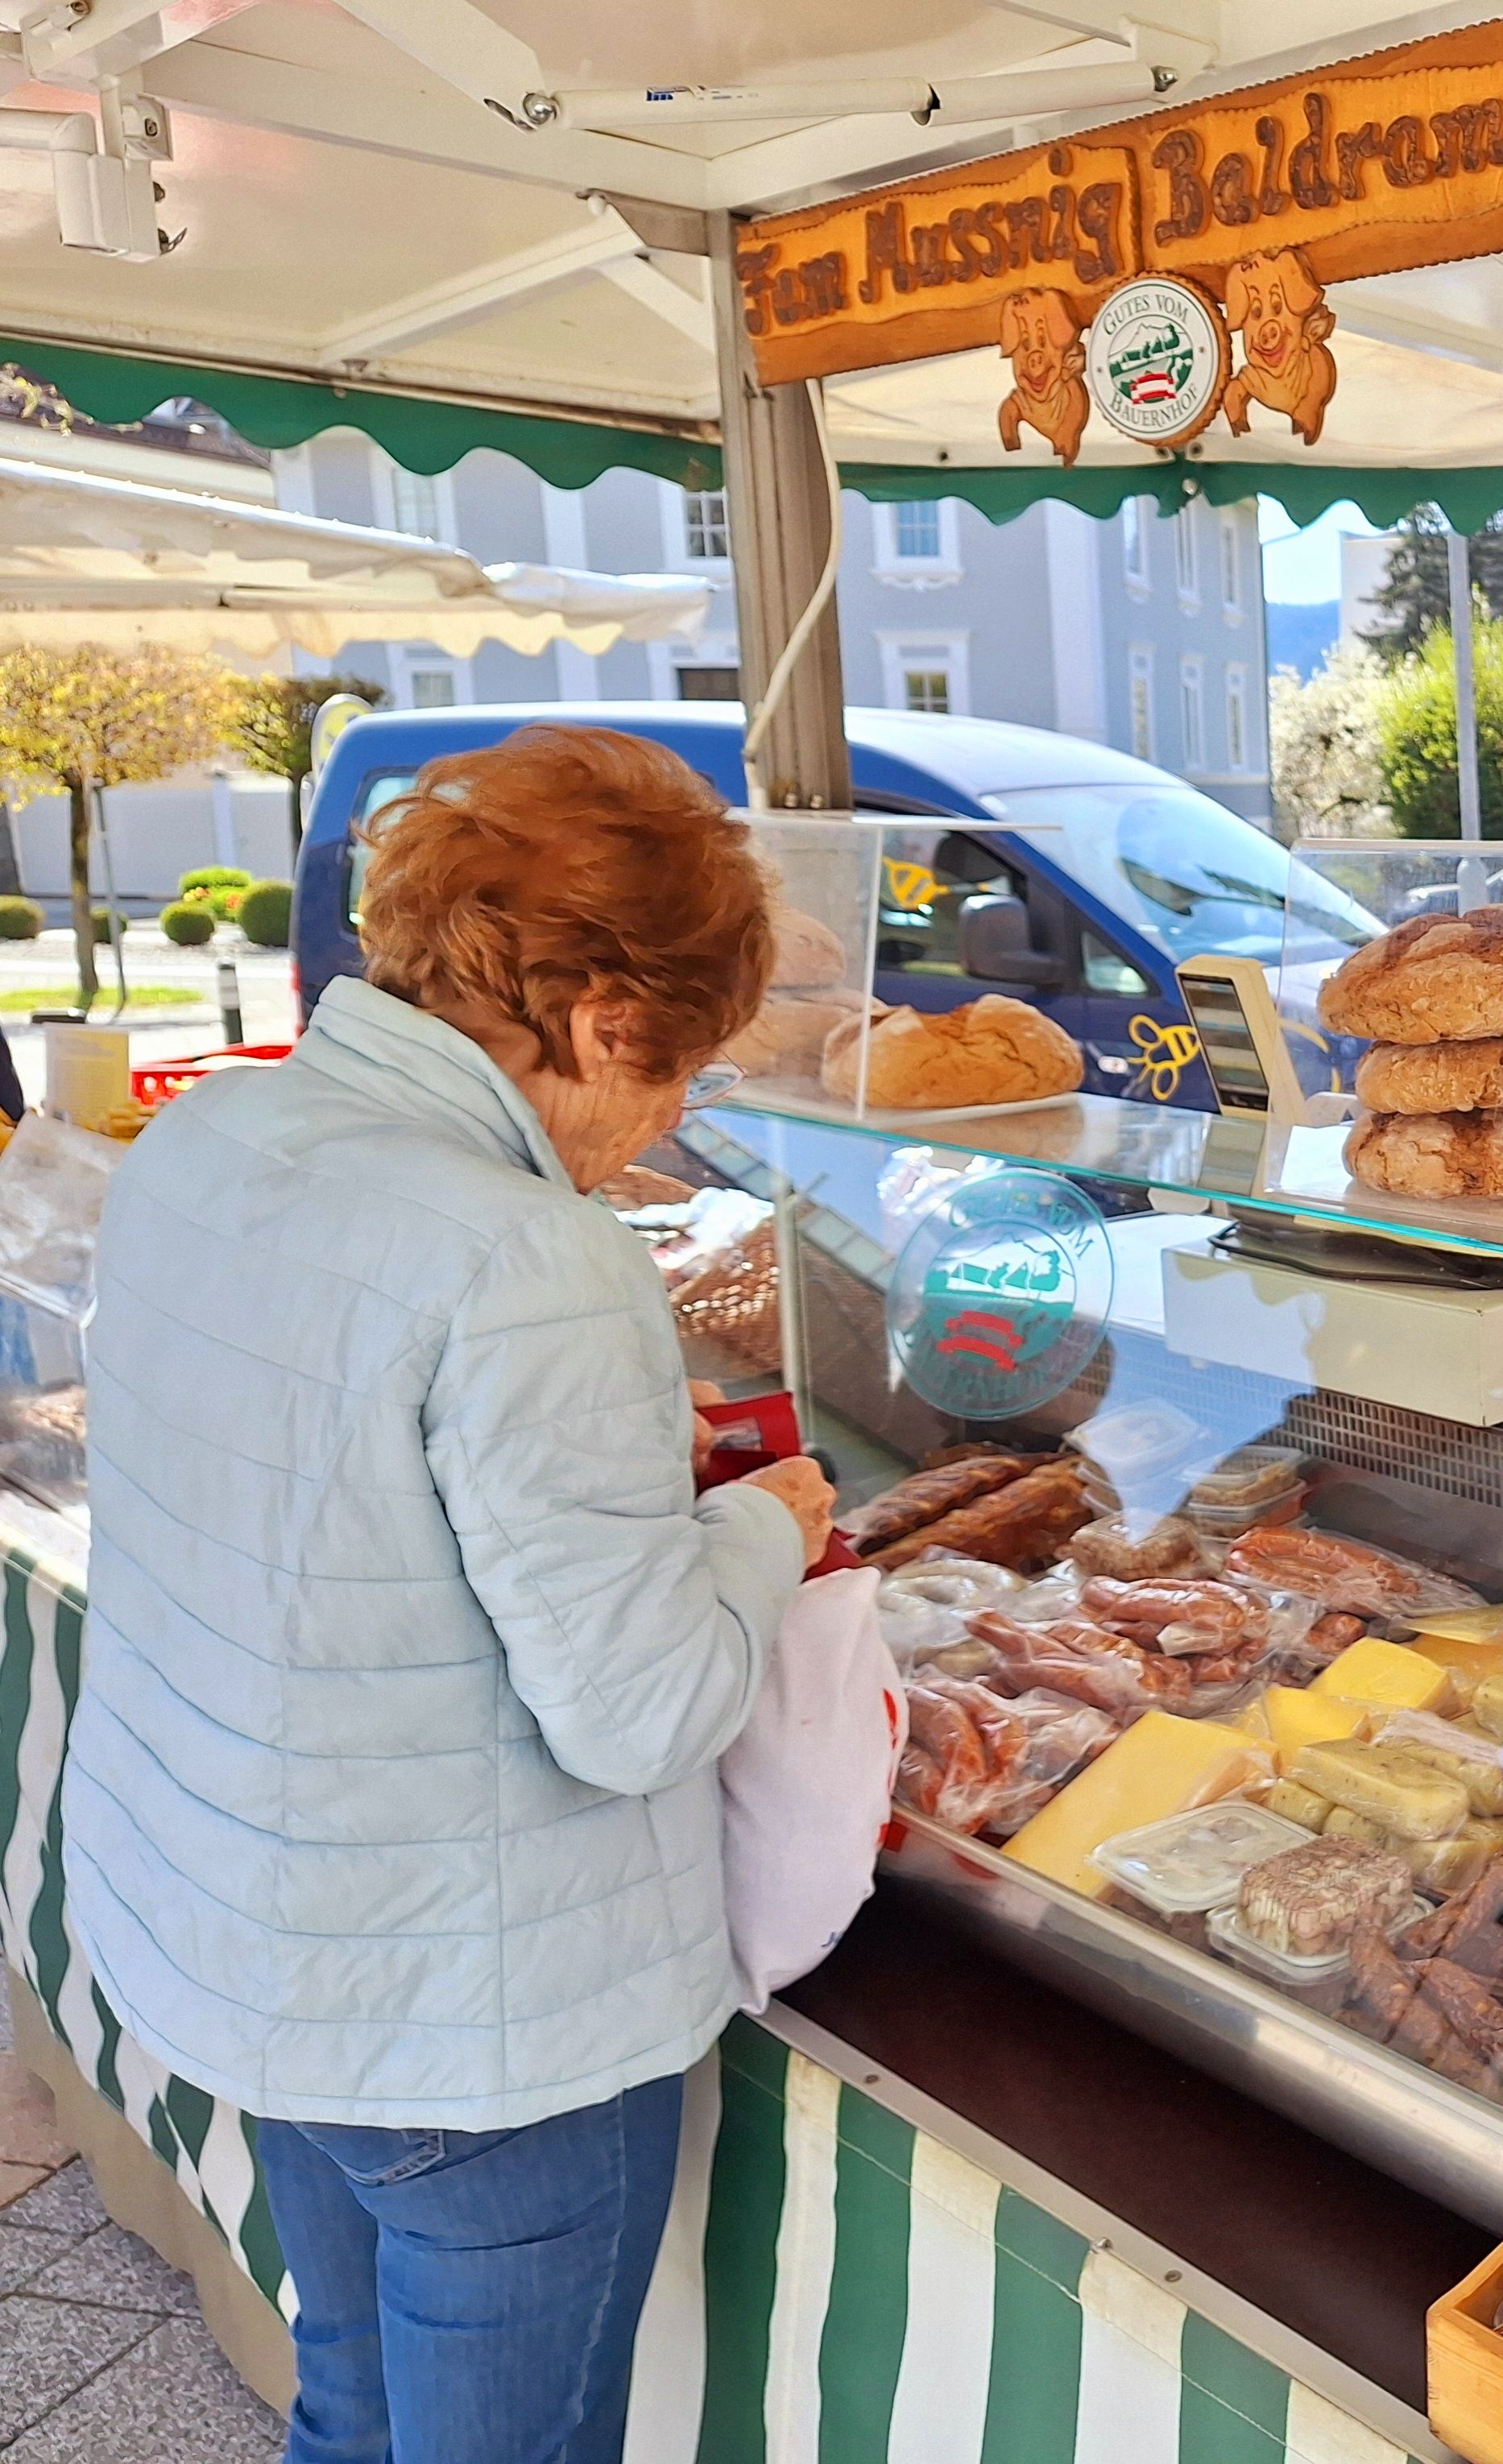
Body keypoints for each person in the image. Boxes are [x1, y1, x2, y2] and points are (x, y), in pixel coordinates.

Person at [64, 725, 834, 2464]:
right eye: (683, 1067)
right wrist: (767, 1529)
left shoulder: (221, 1132)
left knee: (345, 2399)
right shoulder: (523, 1254)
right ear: (600, 1018)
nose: (677, 1115)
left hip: (256, 1946)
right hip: (477, 2035)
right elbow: (637, 1711)